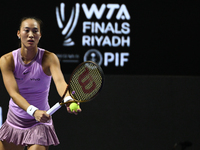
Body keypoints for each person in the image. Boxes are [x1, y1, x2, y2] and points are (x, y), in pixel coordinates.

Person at [0, 17, 81, 150]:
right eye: (26, 31)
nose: (31, 35)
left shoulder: (50, 58)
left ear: (40, 35)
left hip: (40, 122)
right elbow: (14, 93)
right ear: (19, 34)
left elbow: (60, 82)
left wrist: (68, 98)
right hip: (15, 120)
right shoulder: (7, 60)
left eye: (35, 31)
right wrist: (33, 111)